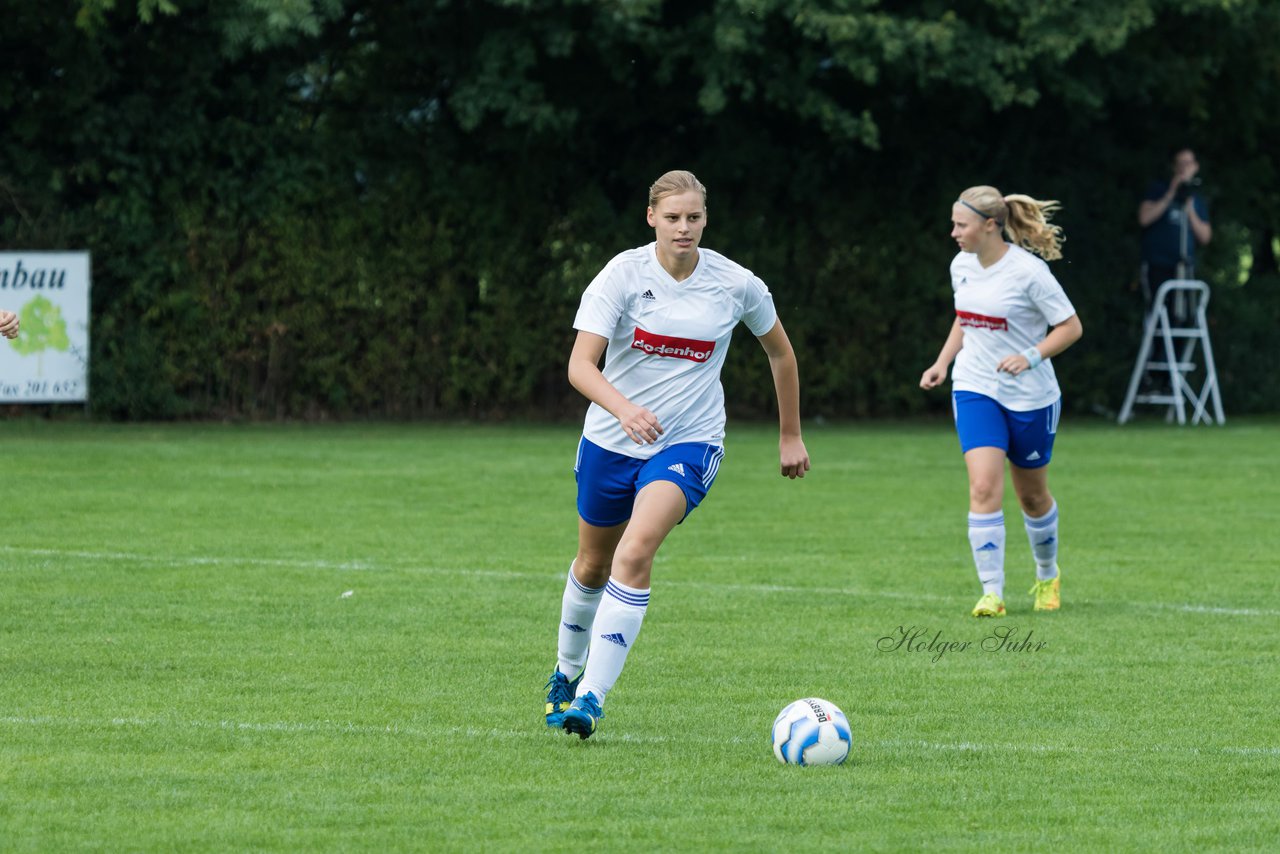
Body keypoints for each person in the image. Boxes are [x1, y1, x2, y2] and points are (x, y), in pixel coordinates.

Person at [543, 170, 809, 739]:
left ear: (705, 219)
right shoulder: (622, 274)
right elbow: (580, 366)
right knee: (592, 563)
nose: (683, 228)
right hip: (611, 442)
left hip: (689, 441)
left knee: (635, 553)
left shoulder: (737, 284)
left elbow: (781, 355)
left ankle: (591, 696)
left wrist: (790, 435)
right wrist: (625, 410)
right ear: (651, 219)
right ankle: (564, 673)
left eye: (693, 217)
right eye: (672, 218)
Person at [920, 186, 1083, 617]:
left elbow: (1070, 327)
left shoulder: (1028, 273)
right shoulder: (961, 265)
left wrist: (1029, 357)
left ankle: (1047, 574)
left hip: (1031, 397)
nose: (953, 232)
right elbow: (965, 315)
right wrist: (942, 362)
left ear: (990, 226)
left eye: (961, 224)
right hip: (975, 386)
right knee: (983, 486)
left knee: (1032, 497)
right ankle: (992, 592)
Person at [1138, 147, 1212, 314]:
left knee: (1185, 314)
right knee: (1158, 312)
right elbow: (1144, 219)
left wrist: (1190, 208)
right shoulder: (1158, 189)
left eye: (1189, 163)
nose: (1184, 168)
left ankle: (1182, 341)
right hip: (1158, 265)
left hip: (1185, 267)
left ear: (1196, 166)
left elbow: (1205, 237)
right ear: (1174, 167)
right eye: (1181, 163)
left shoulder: (1197, 199)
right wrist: (1171, 193)